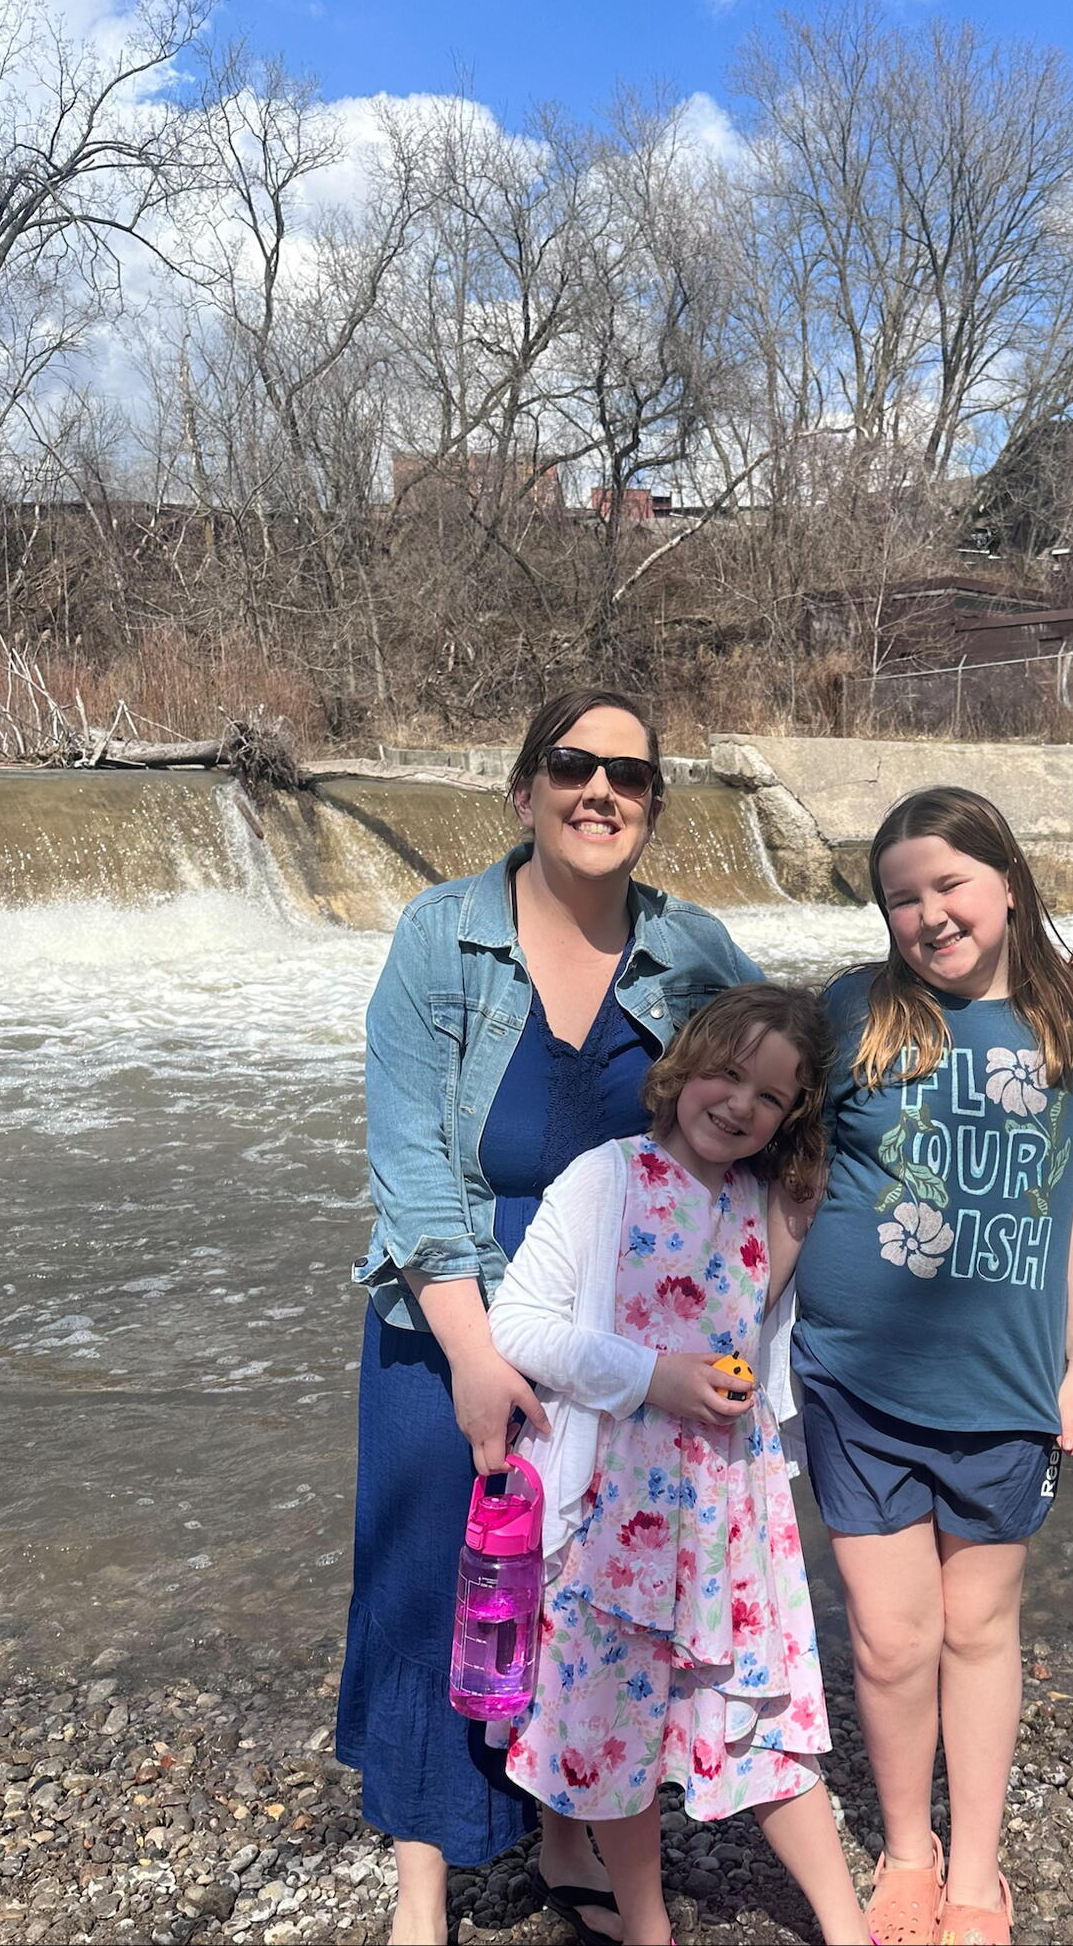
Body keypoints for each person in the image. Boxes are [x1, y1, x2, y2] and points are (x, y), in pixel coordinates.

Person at [336, 688, 761, 1946]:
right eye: (572, 765)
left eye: (628, 776)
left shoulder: (692, 952)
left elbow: (804, 1059)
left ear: (651, 806)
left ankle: (568, 1828)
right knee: (436, 1581)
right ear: (524, 788)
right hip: (450, 1316)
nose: (599, 791)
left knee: (583, 1586)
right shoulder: (441, 937)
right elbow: (411, 1159)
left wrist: (1023, 981)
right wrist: (473, 1353)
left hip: (619, 1332)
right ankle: (424, 1885)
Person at [776, 786, 1073, 1946]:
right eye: (899, 898)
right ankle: (905, 1848)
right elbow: (774, 1156)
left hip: (1003, 1389)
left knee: (978, 1625)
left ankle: (975, 1866)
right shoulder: (850, 1013)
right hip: (851, 1381)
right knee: (889, 1637)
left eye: (947, 885)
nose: (927, 915)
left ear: (1007, 884)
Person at [486, 984, 871, 1946]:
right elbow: (516, 1325)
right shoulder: (603, 1179)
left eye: (772, 1097)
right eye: (728, 1074)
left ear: (794, 1118)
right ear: (683, 1064)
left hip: (726, 1515)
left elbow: (873, 1098)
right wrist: (652, 1375)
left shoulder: (774, 1204)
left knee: (764, 1720)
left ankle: (846, 1926)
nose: (741, 1105)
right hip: (608, 1513)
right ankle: (648, 1926)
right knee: (610, 1728)